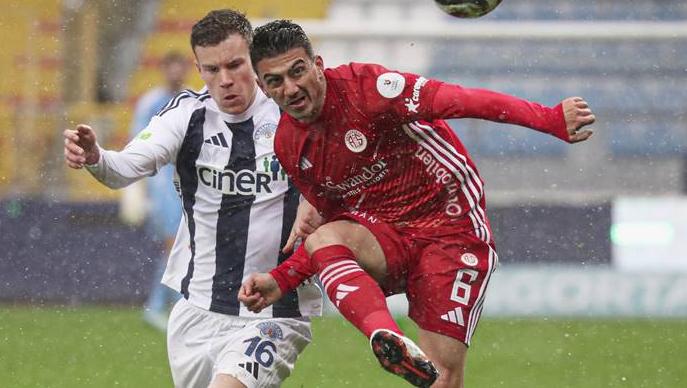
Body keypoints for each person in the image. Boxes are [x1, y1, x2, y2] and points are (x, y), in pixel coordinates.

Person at [238, 20, 595, 387]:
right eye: (276, 80)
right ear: (264, 89)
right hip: (388, 236)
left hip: (450, 228)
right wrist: (283, 278)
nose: (292, 87)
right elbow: (336, 226)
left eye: (298, 71)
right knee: (323, 238)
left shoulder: (369, 89)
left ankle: (407, 353)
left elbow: (462, 100)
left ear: (318, 64)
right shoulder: (288, 146)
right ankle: (386, 337)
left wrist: (548, 119)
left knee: (441, 379)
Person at [63, 10, 322, 388]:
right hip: (197, 310)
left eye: (235, 65)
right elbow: (124, 168)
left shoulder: (291, 110)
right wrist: (95, 158)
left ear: (253, 58)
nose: (226, 80)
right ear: (198, 69)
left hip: (275, 311)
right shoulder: (187, 116)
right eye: (212, 69)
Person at [132, 51, 191, 331]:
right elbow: (138, 143)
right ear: (164, 70)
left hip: (190, 179)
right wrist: (143, 188)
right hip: (162, 182)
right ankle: (162, 305)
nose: (175, 73)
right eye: (172, 67)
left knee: (186, 245)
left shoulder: (193, 100)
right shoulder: (151, 102)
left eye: (180, 67)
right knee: (175, 243)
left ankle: (171, 305)